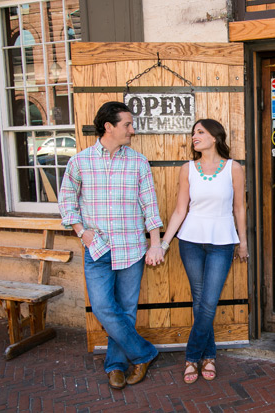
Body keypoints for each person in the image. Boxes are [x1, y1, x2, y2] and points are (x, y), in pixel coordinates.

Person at [58, 101, 165, 390]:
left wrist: (155, 244)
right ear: (109, 126)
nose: (133, 129)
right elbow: (67, 201)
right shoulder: (79, 162)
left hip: (131, 248)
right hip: (98, 249)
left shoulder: (138, 162)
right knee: (104, 308)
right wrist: (82, 232)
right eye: (127, 124)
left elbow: (149, 206)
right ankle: (144, 353)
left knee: (126, 310)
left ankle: (116, 365)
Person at [160, 118, 248, 384]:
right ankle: (209, 356)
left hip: (222, 240)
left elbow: (239, 209)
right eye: (193, 133)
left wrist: (242, 242)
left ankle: (191, 356)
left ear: (215, 137)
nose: (194, 137)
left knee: (207, 303)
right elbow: (179, 210)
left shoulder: (234, 168)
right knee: (200, 301)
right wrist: (164, 243)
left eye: (200, 132)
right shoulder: (187, 169)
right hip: (190, 241)